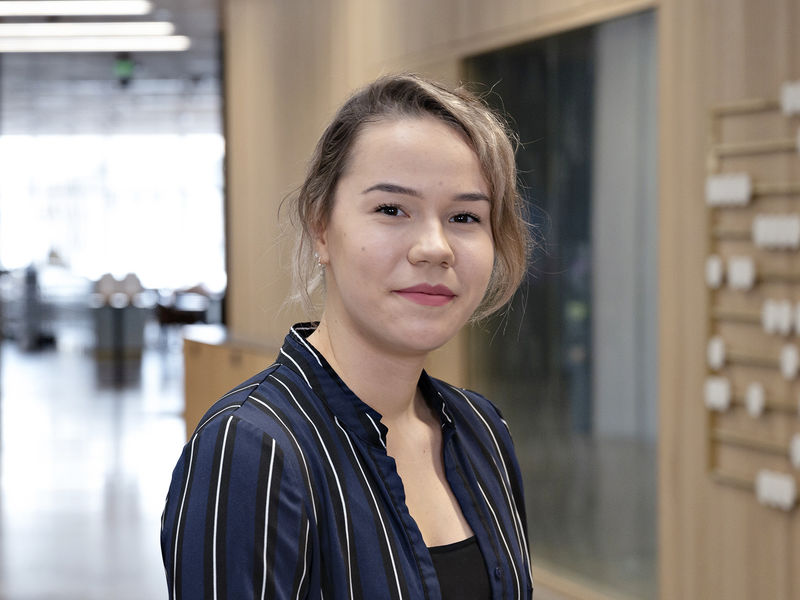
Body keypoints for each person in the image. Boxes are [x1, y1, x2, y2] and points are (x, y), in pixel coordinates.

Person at [161, 73, 533, 600]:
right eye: (391, 209)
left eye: (465, 216)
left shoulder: (483, 431)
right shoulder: (252, 451)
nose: (435, 247)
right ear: (321, 227)